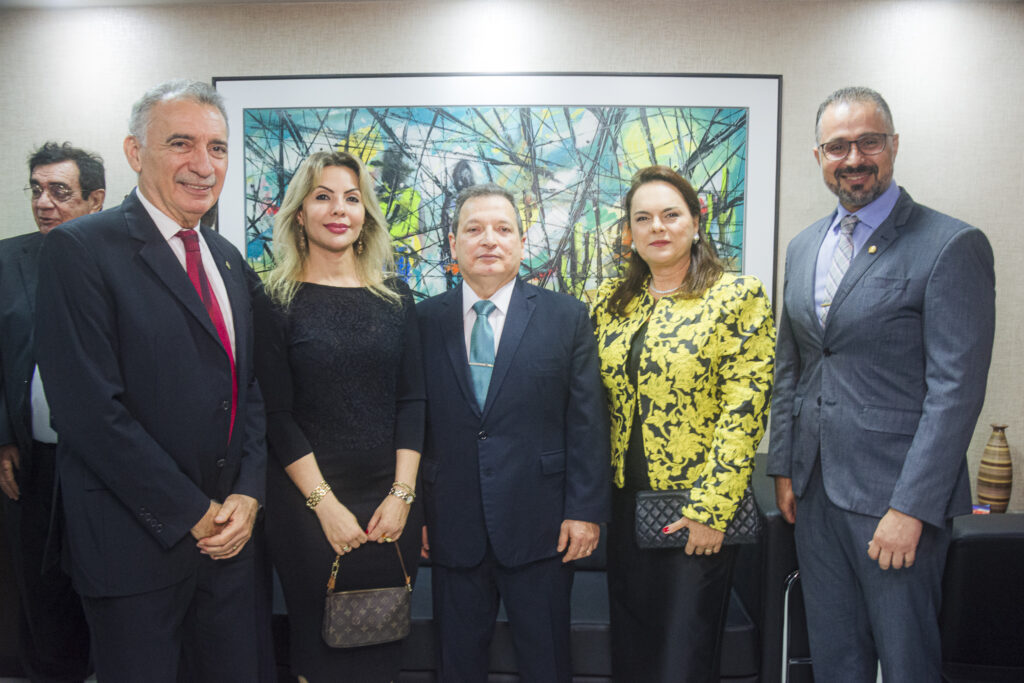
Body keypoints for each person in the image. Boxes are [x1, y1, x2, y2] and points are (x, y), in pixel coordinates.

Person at [33, 80, 267, 682]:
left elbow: (249, 390)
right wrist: (193, 512)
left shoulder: (228, 258)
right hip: (133, 547)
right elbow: (87, 411)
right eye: (180, 144)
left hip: (229, 551)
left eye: (217, 148)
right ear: (135, 152)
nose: (202, 164)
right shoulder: (80, 251)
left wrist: (248, 491)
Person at [767, 87, 996, 682]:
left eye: (868, 142)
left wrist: (911, 508)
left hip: (896, 500)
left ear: (893, 146)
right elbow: (792, 363)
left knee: (906, 660)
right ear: (819, 156)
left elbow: (956, 393)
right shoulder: (803, 247)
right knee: (835, 655)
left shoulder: (949, 245)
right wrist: (786, 467)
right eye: (838, 146)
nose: (854, 157)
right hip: (815, 494)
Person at [417, 183, 610, 682]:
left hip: (544, 527)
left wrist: (584, 512)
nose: (489, 240)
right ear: (454, 243)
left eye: (503, 229)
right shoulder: (421, 321)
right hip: (450, 523)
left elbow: (587, 422)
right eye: (474, 228)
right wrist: (415, 510)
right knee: (456, 663)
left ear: (522, 244)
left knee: (546, 661)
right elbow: (412, 423)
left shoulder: (566, 317)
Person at [590, 165, 775, 682]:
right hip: (625, 505)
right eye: (643, 218)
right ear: (629, 233)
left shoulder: (737, 296)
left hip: (695, 510)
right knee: (632, 650)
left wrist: (712, 511)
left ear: (696, 221)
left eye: (671, 214)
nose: (657, 227)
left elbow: (746, 408)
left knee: (682, 658)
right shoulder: (611, 302)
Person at [253, 150, 425, 683]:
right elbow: (276, 414)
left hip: (391, 503)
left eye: (352, 198)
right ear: (299, 213)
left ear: (366, 214)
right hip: (307, 504)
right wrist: (323, 505)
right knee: (320, 648)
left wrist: (401, 496)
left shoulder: (397, 297)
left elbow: (412, 401)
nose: (339, 209)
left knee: (381, 637)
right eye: (323, 196)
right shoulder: (272, 300)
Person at [0, 141, 104, 682]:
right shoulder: (6, 259)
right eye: (36, 189)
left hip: (106, 464)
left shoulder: (120, 263)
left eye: (59, 192)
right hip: (33, 461)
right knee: (39, 589)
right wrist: (2, 438)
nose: (44, 202)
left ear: (94, 200)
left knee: (103, 583)